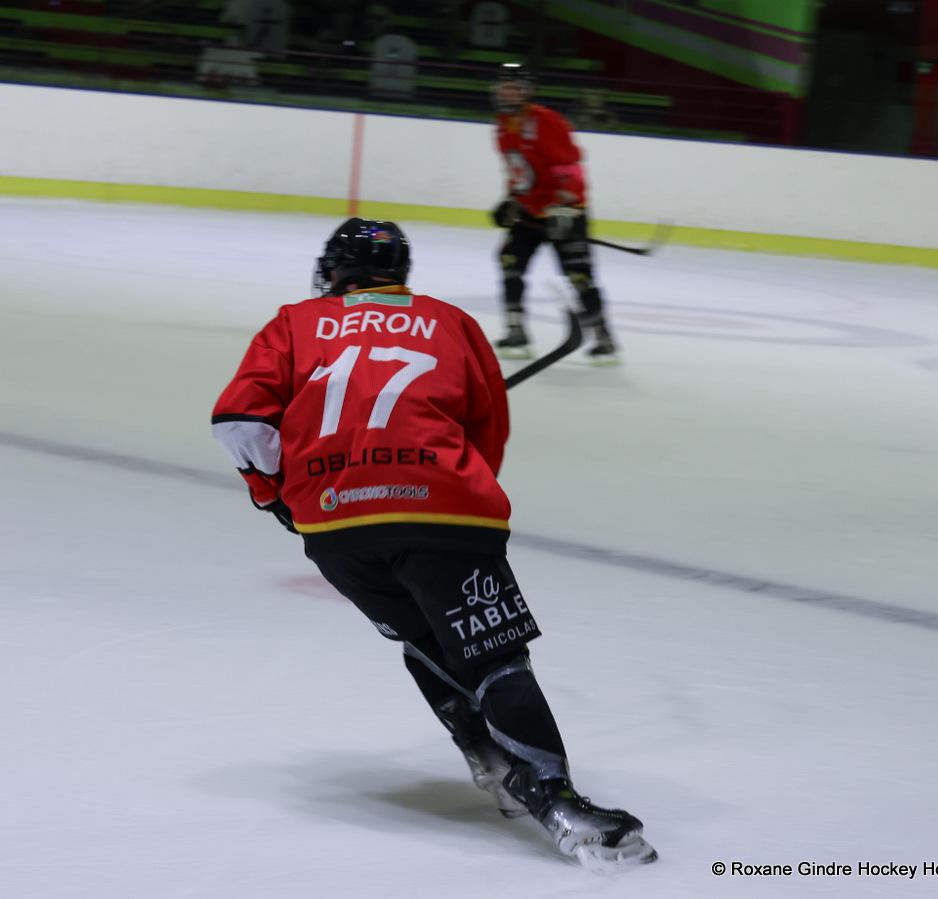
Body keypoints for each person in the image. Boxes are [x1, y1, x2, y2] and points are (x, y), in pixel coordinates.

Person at [211, 218, 656, 869]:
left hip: (335, 529)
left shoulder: (297, 321)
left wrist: (278, 493)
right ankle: (557, 802)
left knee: (426, 638)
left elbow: (238, 419)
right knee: (496, 658)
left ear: (334, 270)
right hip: (441, 516)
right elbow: (487, 433)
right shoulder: (449, 322)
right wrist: (449, 488)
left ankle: (490, 756)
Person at [491, 63, 618, 362]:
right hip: (529, 213)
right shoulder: (502, 126)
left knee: (578, 276)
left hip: (566, 211)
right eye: (504, 87)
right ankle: (516, 329)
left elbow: (570, 167)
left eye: (515, 88)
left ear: (527, 92)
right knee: (509, 262)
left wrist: (566, 204)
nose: (508, 93)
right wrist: (510, 200)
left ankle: (603, 336)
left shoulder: (546, 120)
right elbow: (519, 171)